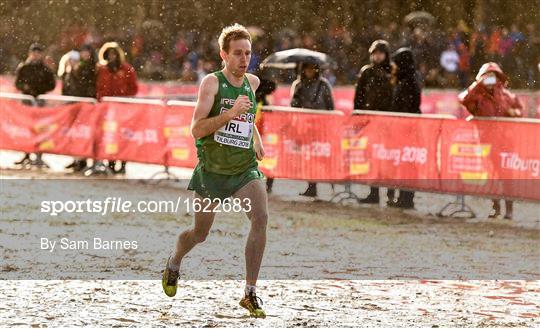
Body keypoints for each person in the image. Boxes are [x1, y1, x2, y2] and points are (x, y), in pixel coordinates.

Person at [162, 24, 268, 318]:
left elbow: (247, 117)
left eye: (248, 53)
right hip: (212, 171)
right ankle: (174, 261)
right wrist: (230, 113)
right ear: (224, 54)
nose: (244, 59)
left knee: (260, 218)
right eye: (237, 54)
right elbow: (196, 129)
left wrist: (256, 139)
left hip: (244, 169)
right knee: (199, 233)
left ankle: (249, 292)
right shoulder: (211, 83)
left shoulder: (253, 82)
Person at [459, 62, 523, 220]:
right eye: (487, 77)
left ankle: (509, 210)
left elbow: (520, 109)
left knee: (506, 177)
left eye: (493, 77)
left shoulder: (506, 96)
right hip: (487, 143)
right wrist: (477, 84)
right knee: (492, 176)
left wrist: (514, 112)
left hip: (506, 143)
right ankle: (496, 208)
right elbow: (464, 99)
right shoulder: (477, 97)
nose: (490, 80)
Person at [354, 40, 394, 204]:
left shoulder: (392, 72)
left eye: (380, 53)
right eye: (374, 53)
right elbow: (359, 96)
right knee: (372, 157)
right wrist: (358, 115)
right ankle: (374, 192)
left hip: (388, 122)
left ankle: (391, 193)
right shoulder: (366, 72)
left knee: (389, 158)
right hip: (370, 120)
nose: (377, 57)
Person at [290, 62, 334, 197]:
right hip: (304, 127)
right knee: (308, 158)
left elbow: (330, 105)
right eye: (307, 68)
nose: (309, 71)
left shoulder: (324, 84)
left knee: (322, 158)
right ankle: (311, 186)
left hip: (320, 127)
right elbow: (293, 105)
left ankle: (331, 185)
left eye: (312, 68)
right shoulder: (298, 85)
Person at [96, 42, 138, 174]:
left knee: (123, 135)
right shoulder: (101, 69)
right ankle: (111, 162)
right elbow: (98, 87)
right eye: (109, 54)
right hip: (107, 109)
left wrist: (124, 98)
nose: (112, 57)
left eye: (113, 54)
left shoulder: (126, 69)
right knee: (110, 135)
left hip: (123, 108)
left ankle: (123, 162)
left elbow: (133, 88)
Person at [14, 42, 56, 167]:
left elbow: (51, 85)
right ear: (30, 54)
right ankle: (26, 154)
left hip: (39, 101)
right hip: (26, 100)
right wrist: (25, 88)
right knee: (26, 128)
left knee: (39, 129)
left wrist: (38, 89)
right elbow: (17, 83)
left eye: (38, 53)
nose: (36, 55)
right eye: (34, 52)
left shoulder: (45, 69)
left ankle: (38, 155)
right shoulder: (24, 67)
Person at [390, 47, 422, 209]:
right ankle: (404, 196)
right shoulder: (408, 79)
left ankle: (406, 197)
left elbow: (406, 107)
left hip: (406, 129)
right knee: (405, 165)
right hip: (406, 129)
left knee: (406, 165)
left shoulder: (408, 82)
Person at [58, 44, 97, 172]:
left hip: (85, 105)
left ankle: (84, 160)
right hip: (74, 104)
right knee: (75, 134)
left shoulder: (90, 68)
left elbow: (84, 85)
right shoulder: (72, 69)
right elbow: (68, 87)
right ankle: (77, 159)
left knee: (85, 133)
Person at [255, 77, 277, 193]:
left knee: (267, 159)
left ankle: (267, 185)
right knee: (267, 160)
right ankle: (267, 185)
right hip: (258, 135)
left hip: (262, 136)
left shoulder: (261, 101)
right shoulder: (260, 101)